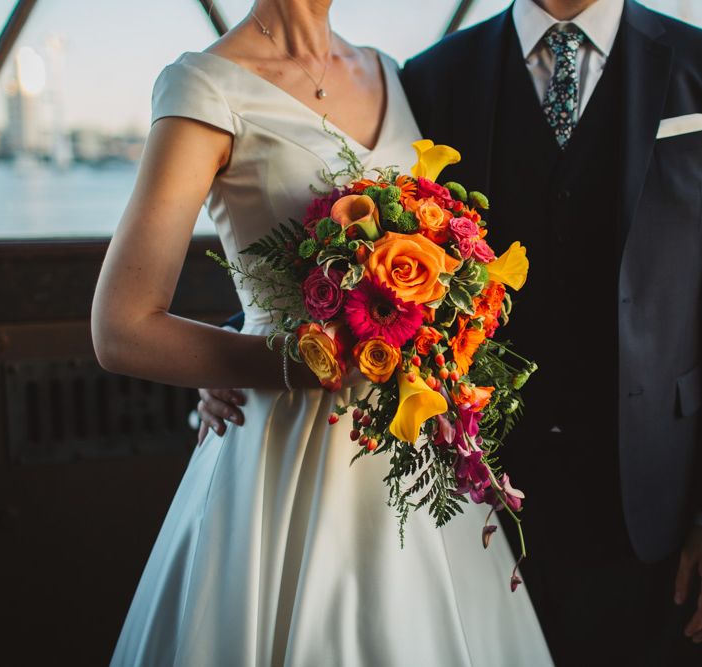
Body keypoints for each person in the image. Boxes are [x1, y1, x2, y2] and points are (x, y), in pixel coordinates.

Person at [201, 0, 702, 664]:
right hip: (471, 502)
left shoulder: (694, 62)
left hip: (657, 504)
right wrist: (237, 347)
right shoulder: (432, 77)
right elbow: (372, 223)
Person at [92, 1, 554, 665]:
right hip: (282, 460)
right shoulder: (205, 85)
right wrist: (285, 364)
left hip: (410, 450)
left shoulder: (388, 73)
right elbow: (121, 326)